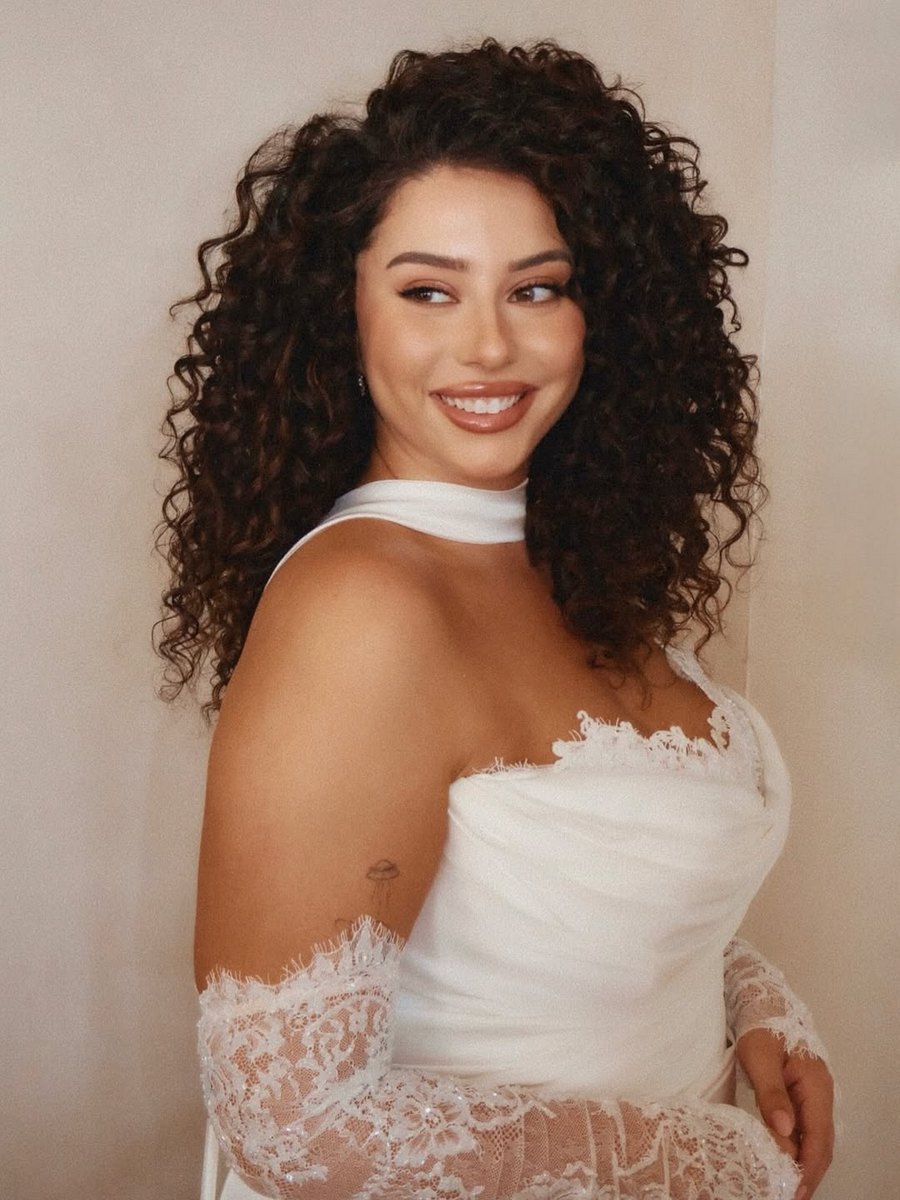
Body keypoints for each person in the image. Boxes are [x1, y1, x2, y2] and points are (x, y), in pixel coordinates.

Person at [158, 40, 834, 1200]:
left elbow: (556, 917)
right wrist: (721, 1163)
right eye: (429, 290)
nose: (487, 345)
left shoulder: (573, 559)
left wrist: (748, 996)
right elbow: (295, 1124)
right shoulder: (364, 604)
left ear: (601, 313)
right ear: (342, 312)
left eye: (537, 288)